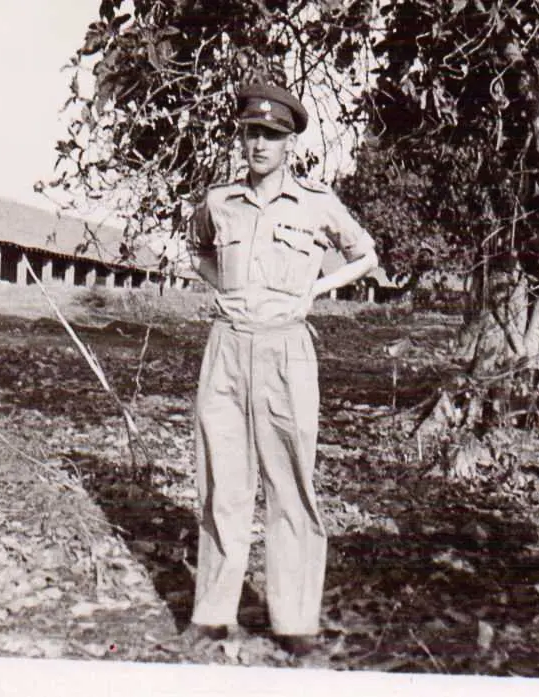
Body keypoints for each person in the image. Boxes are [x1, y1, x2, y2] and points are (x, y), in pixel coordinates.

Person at [186, 82, 379, 658]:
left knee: (290, 485)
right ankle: (213, 615)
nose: (259, 144)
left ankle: (294, 622)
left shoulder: (316, 203)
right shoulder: (220, 202)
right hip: (226, 348)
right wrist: (228, 293)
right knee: (222, 482)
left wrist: (314, 289)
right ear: (241, 140)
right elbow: (197, 249)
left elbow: (365, 254)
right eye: (250, 133)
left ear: (290, 144)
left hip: (286, 351)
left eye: (271, 135)